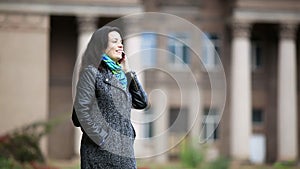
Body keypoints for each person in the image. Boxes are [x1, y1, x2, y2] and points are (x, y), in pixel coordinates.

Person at [72, 26, 148, 169]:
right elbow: (81, 113)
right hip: (99, 153)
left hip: (124, 152)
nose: (120, 45)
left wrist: (128, 72)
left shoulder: (121, 77)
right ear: (101, 46)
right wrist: (103, 139)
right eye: (114, 41)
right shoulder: (91, 73)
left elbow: (142, 102)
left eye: (121, 41)